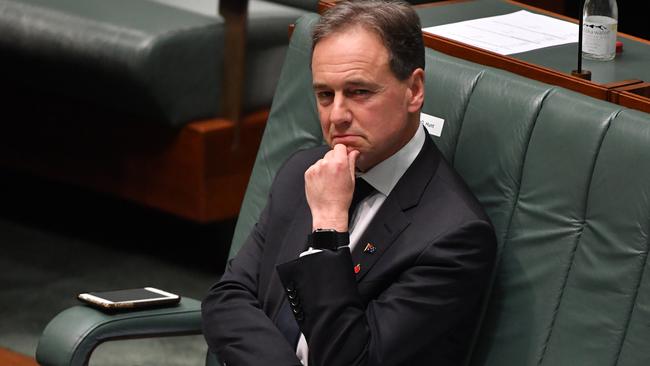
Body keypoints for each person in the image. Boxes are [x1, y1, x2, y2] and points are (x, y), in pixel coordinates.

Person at [201, 1, 496, 365]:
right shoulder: (302, 171)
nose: (336, 116)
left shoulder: (454, 236)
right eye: (325, 95)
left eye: (359, 92)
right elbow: (227, 299)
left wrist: (327, 228)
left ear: (414, 90)